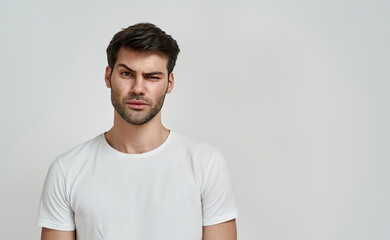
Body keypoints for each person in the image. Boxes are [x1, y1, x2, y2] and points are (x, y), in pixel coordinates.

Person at [37, 23, 239, 240]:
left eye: (152, 77)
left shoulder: (205, 163)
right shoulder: (67, 170)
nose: (138, 88)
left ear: (169, 83)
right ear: (108, 76)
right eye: (126, 74)